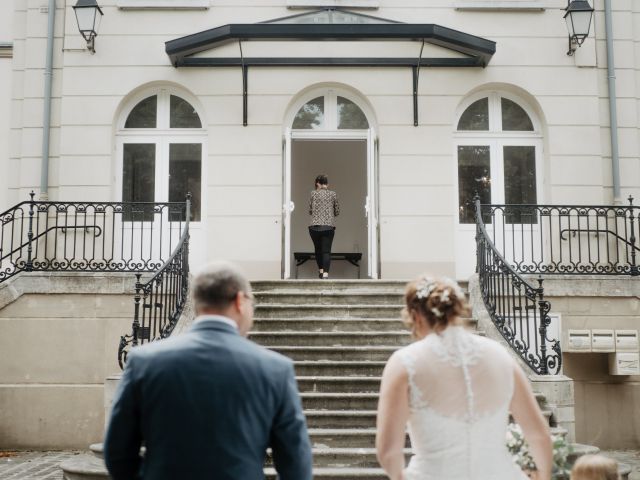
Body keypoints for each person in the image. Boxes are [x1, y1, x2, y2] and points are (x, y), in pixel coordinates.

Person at [104, 261, 313, 480]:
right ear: (240, 301)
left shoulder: (143, 362)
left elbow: (117, 453)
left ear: (196, 301)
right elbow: (296, 465)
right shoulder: (276, 369)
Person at [376, 275, 553, 480]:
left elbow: (388, 451)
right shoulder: (502, 356)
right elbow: (540, 435)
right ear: (456, 310)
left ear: (415, 316)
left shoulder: (404, 363)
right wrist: (544, 476)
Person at [308, 174, 340, 279]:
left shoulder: (313, 193)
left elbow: (310, 211)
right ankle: (325, 274)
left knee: (318, 250)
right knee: (326, 251)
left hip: (314, 227)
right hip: (328, 227)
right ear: (327, 184)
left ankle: (321, 271)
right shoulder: (333, 194)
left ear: (317, 183)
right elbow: (337, 211)